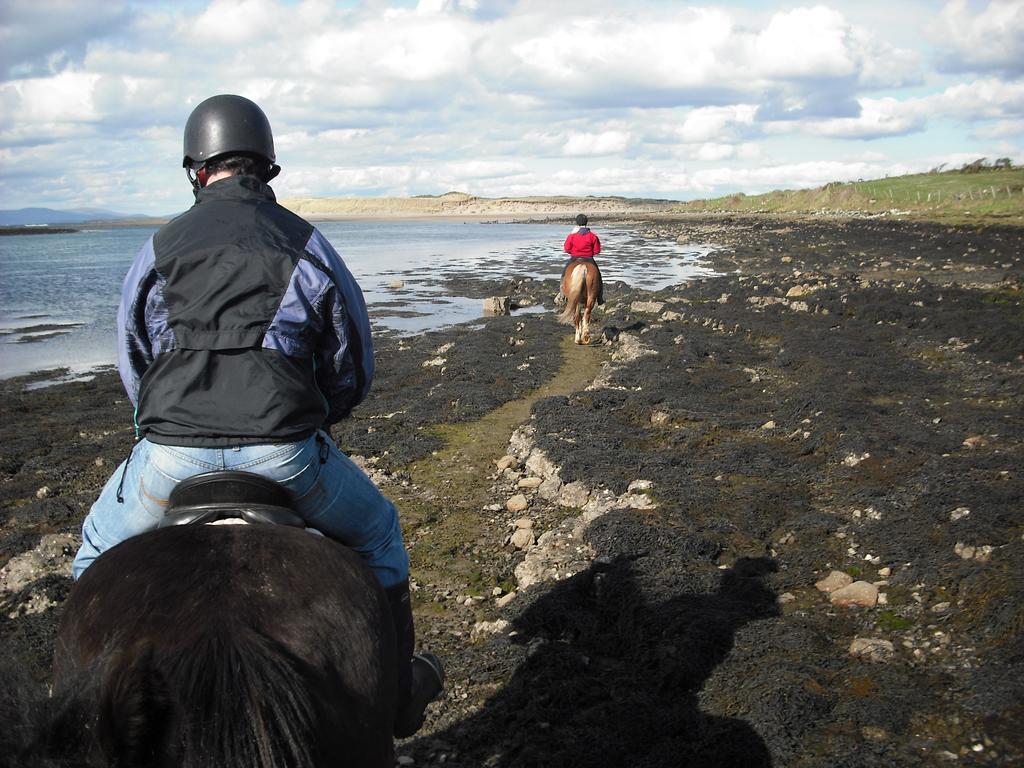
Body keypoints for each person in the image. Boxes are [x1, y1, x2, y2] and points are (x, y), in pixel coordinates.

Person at [71, 94, 442, 739]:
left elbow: (135, 360)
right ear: (266, 165)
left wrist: (165, 418)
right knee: (381, 534)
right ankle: (399, 694)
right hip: (286, 455)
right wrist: (321, 412)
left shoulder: (157, 247)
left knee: (95, 557)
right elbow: (352, 360)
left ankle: (77, 709)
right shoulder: (307, 242)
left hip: (171, 457)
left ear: (196, 167)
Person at [560, 213, 604, 304]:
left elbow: (567, 249)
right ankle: (600, 298)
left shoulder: (572, 236)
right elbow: (597, 251)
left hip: (574, 258)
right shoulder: (593, 236)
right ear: (586, 223)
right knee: (598, 277)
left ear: (576, 223)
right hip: (589, 259)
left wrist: (574, 252)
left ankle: (561, 296)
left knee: (564, 275)